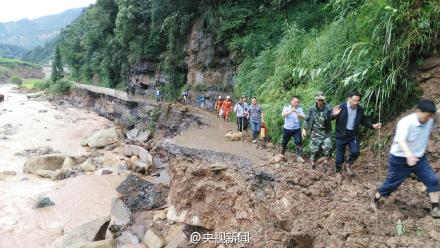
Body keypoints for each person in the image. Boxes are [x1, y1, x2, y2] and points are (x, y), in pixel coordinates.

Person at [371, 100, 440, 218]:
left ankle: (435, 210)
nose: (428, 118)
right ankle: (375, 200)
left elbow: (436, 112)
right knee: (391, 184)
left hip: (419, 159)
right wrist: (409, 155)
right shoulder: (406, 122)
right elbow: (401, 140)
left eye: (430, 116)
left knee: (433, 180)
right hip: (400, 159)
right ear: (418, 111)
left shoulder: (429, 120)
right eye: (427, 115)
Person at [332, 91, 381, 175]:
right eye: (354, 100)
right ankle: (338, 172)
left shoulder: (360, 109)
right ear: (348, 98)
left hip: (353, 135)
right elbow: (329, 118)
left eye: (358, 101)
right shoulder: (341, 107)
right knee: (339, 156)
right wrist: (333, 115)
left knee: (356, 152)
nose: (356, 103)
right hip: (341, 134)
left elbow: (363, 120)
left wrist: (372, 125)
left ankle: (348, 164)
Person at [303, 91, 333, 169]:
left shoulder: (328, 108)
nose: (320, 101)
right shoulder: (312, 109)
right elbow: (306, 119)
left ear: (324, 100)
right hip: (315, 132)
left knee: (327, 147)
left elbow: (332, 117)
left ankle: (325, 163)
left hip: (326, 132)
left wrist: (335, 114)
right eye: (319, 100)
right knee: (313, 150)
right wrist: (304, 129)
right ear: (316, 100)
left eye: (322, 100)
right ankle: (312, 163)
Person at [281, 96, 306, 163]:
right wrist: (290, 111)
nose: (296, 103)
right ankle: (282, 153)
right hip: (287, 129)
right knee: (284, 142)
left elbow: (304, 116)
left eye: (297, 102)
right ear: (291, 101)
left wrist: (297, 113)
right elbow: (283, 115)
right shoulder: (286, 107)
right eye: (295, 102)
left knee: (298, 142)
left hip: (296, 129)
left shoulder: (300, 109)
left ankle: (299, 157)